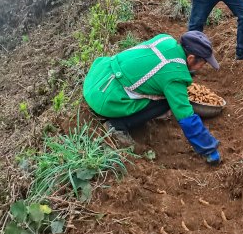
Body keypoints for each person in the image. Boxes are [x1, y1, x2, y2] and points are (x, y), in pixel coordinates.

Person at [83, 31, 222, 165]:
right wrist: (209, 148)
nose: (201, 68)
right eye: (202, 64)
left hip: (97, 77)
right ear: (190, 58)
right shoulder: (175, 76)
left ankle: (132, 115)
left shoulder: (165, 40)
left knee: (162, 93)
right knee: (167, 101)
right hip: (106, 97)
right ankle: (117, 125)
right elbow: (186, 116)